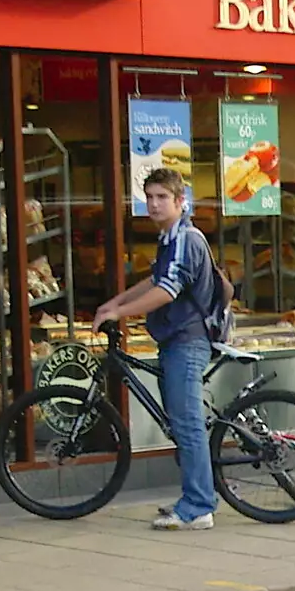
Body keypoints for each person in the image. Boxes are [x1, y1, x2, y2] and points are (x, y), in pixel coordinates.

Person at [93, 168, 217, 531]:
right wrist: (113, 302)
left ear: (181, 201)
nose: (153, 204)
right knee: (182, 423)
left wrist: (120, 311)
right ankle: (194, 497)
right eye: (149, 197)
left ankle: (197, 507)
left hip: (187, 341)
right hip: (174, 340)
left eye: (162, 197)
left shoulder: (186, 239)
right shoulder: (169, 239)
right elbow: (153, 280)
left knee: (188, 425)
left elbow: (167, 291)